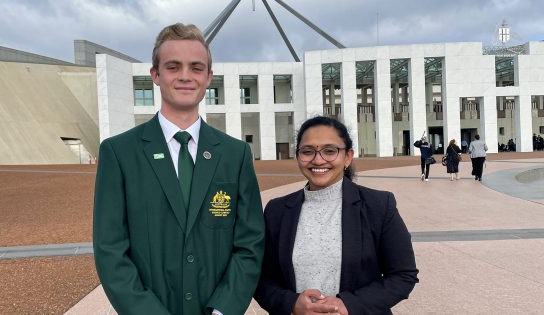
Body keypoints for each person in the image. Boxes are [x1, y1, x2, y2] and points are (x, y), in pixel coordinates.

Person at [92, 23, 265, 315]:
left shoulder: (235, 155)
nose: (186, 76)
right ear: (155, 75)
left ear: (209, 77)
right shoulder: (119, 153)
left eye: (196, 68)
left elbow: (250, 244)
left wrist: (223, 309)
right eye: (173, 67)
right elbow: (110, 251)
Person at [254, 116, 419, 315]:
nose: (318, 160)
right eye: (308, 151)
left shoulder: (378, 205)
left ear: (348, 156)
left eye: (330, 151)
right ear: (298, 156)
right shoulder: (277, 210)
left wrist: (348, 305)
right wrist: (292, 304)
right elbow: (263, 279)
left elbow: (403, 275)